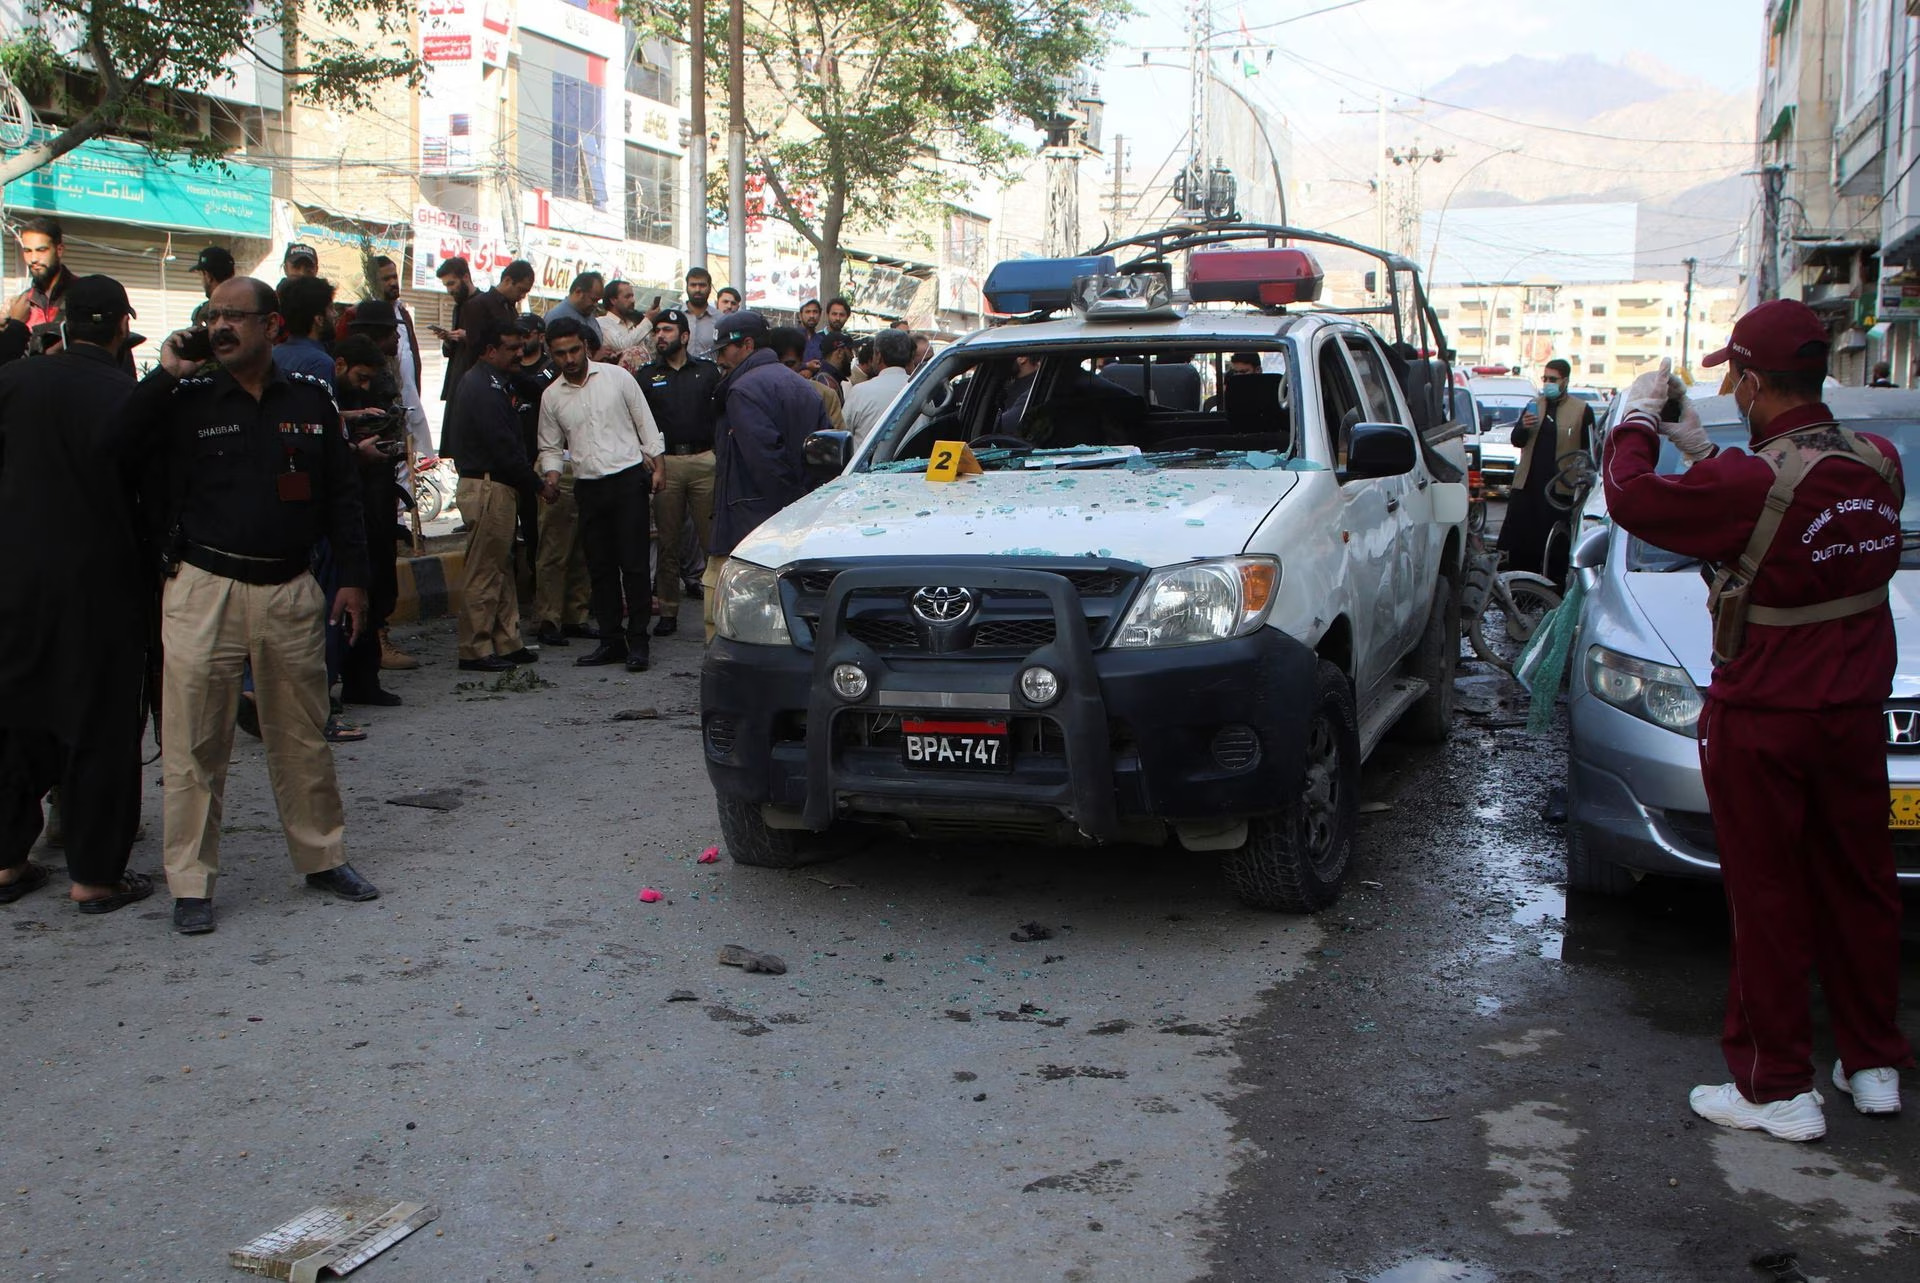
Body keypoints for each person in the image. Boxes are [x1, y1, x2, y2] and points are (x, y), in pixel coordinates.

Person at [1603, 301, 1912, 1142]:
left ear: (1748, 380)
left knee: (1767, 896)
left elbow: (1632, 498)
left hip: (1767, 716)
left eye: (1734, 376)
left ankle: (1776, 1086)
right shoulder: (1878, 461)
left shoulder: (1749, 481)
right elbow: (1783, 518)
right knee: (1860, 885)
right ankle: (1872, 1062)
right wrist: (1705, 451)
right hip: (1855, 712)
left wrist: (1638, 421)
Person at [132, 277, 380, 936]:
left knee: (302, 734)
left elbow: (342, 494)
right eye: (212, 315)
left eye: (234, 316)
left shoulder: (311, 399)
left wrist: (354, 577)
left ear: (270, 326)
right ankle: (191, 883)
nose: (219, 327)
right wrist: (165, 374)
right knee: (194, 741)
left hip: (289, 588)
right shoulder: (185, 398)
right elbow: (115, 446)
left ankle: (323, 857)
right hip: (203, 586)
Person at [0, 276, 155, 916]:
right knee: (101, 727)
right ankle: (94, 876)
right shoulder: (126, 395)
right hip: (101, 590)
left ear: (62, 323)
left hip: (14, 582)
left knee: (13, 717)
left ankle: (7, 861)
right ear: (122, 326)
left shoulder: (12, 381)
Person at [537, 317, 666, 671]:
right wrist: (551, 477)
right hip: (588, 486)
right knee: (600, 567)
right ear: (552, 354)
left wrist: (659, 467)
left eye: (574, 350)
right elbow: (550, 447)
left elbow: (645, 423)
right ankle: (611, 641)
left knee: (634, 565)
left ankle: (638, 641)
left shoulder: (617, 378)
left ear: (586, 347)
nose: (568, 359)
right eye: (560, 353)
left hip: (627, 481)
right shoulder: (551, 397)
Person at [706, 309, 829, 640]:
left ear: (747, 345)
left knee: (730, 625)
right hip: (798, 523)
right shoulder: (804, 387)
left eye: (723, 350)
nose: (719, 359)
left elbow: (766, 461)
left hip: (752, 526)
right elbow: (826, 457)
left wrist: (786, 513)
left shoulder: (743, 390)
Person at [448, 320, 541, 672]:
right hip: (487, 485)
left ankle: (506, 640)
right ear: (489, 351)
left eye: (521, 346)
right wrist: (536, 485)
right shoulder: (482, 387)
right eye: (511, 348)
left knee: (501, 567)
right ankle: (474, 648)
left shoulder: (496, 382)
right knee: (485, 570)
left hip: (497, 485)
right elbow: (504, 448)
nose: (519, 353)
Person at [636, 309, 722, 638]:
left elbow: (722, 414)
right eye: (657, 330)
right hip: (665, 463)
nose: (660, 335)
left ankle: (718, 613)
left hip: (703, 460)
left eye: (668, 330)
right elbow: (637, 420)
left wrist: (717, 454)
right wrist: (645, 456)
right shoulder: (647, 376)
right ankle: (668, 611)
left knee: (711, 542)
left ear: (684, 337)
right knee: (668, 542)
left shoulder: (707, 371)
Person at [1499, 358, 1594, 580]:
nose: (1548, 383)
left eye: (1553, 379)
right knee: (1522, 546)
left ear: (1565, 381)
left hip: (1559, 491)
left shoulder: (1581, 410)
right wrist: (1524, 426)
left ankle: (1551, 592)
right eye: (1545, 378)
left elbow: (1589, 451)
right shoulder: (1535, 405)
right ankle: (1521, 591)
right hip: (1528, 487)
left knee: (1555, 549)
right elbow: (1517, 440)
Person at [440, 260, 534, 460]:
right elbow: (475, 351)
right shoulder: (478, 305)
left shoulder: (510, 309)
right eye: (521, 290)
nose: (522, 296)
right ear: (507, 280)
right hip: (482, 387)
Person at [0, 217, 77, 361]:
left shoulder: (83, 294)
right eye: (27, 251)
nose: (33, 259)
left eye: (41, 250)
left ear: (59, 250)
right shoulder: (19, 305)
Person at [844, 326, 914, 444]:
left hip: (868, 457)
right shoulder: (921, 390)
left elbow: (842, 434)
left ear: (878, 356)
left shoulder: (860, 392)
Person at [771, 325, 846, 431]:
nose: (783, 371)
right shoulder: (754, 394)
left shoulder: (825, 396)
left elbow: (836, 437)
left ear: (801, 361)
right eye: (775, 364)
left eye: (790, 364)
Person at [273, 275, 338, 384]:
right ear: (319, 319)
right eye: (331, 308)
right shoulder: (321, 363)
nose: (335, 314)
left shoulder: (272, 355)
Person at [600, 280, 656, 364]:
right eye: (627, 297)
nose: (632, 300)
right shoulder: (603, 323)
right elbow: (623, 346)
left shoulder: (634, 323)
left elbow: (651, 352)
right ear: (613, 300)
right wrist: (648, 320)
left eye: (632, 296)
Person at [545, 271, 606, 349]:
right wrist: (595, 355)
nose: (596, 305)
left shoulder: (589, 314)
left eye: (598, 301)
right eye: (593, 300)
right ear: (578, 292)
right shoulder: (557, 316)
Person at [186, 247, 236, 327]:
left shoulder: (204, 313)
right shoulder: (250, 304)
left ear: (208, 276)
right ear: (232, 274)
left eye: (201, 276)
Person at [682, 267, 720, 360]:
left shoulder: (720, 319)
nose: (697, 289)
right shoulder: (674, 316)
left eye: (702, 285)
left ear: (710, 288)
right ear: (686, 288)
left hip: (710, 369)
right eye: (693, 285)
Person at [796, 298, 823, 365]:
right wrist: (806, 365)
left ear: (820, 315)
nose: (812, 316)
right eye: (808, 312)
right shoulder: (791, 337)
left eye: (815, 312)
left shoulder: (821, 340)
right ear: (800, 315)